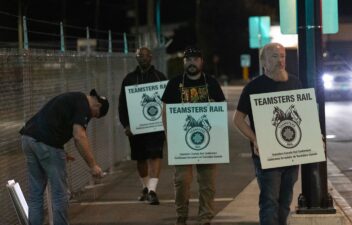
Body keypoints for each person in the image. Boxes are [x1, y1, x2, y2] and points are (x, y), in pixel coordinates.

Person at [233, 43, 302, 225]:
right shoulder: (253, 87)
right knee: (269, 202)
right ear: (264, 61)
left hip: (291, 155)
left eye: (282, 56)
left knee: (285, 202)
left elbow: (305, 115)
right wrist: (255, 139)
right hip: (267, 156)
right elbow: (238, 120)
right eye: (274, 56)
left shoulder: (295, 83)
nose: (280, 60)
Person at [20, 89, 109, 225]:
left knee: (35, 194)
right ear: (98, 106)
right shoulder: (83, 105)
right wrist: (93, 165)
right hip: (47, 143)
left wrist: (59, 152)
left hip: (28, 138)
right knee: (60, 194)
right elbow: (79, 136)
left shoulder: (74, 98)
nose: (90, 117)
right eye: (95, 115)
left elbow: (54, 121)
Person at [161, 46, 226, 225]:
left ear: (201, 62)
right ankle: (181, 214)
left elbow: (221, 110)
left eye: (195, 59)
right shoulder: (174, 84)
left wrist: (220, 138)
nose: (191, 63)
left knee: (207, 182)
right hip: (181, 143)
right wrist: (169, 136)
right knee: (182, 180)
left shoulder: (211, 82)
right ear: (184, 62)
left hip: (208, 142)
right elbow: (165, 111)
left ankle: (205, 217)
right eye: (188, 60)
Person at [118, 47, 167, 205]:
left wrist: (167, 124)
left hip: (156, 127)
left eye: (145, 56)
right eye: (140, 56)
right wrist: (126, 125)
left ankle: (152, 190)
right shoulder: (129, 79)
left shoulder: (160, 78)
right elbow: (122, 105)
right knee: (140, 159)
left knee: (155, 156)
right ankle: (146, 188)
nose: (143, 58)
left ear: (151, 57)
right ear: (136, 58)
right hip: (136, 129)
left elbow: (167, 103)